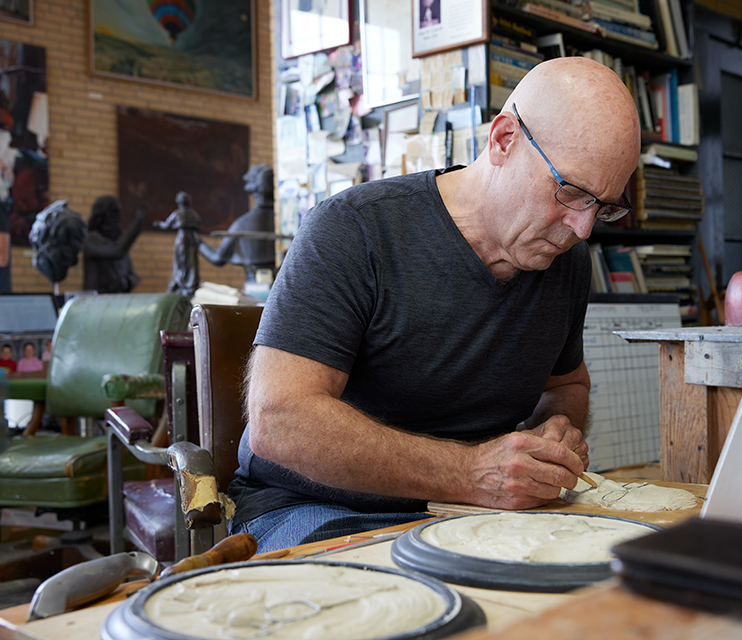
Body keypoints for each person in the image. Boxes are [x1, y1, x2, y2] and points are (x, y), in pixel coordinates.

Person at [230, 57, 641, 553]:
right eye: (571, 192)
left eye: (606, 205)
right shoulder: (354, 229)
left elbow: (567, 384)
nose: (583, 228)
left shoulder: (567, 260)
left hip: (475, 511)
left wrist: (554, 434)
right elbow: (280, 420)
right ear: (504, 139)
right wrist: (469, 473)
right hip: (315, 507)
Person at [199, 164, 276, 283]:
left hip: (253, 290)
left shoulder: (241, 225)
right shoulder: (287, 223)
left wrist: (198, 243)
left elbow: (218, 258)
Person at [83, 196, 149, 293]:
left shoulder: (120, 242)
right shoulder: (91, 240)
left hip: (118, 302)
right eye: (113, 212)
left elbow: (133, 275)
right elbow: (117, 251)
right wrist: (137, 221)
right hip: (97, 303)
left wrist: (127, 282)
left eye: (118, 212)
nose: (117, 217)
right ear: (102, 215)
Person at [155, 191, 202, 297]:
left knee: (182, 260)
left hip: (183, 237)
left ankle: (182, 282)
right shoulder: (193, 213)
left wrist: (159, 223)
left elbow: (167, 224)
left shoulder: (178, 213)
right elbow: (199, 225)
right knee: (190, 261)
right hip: (192, 237)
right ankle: (189, 283)